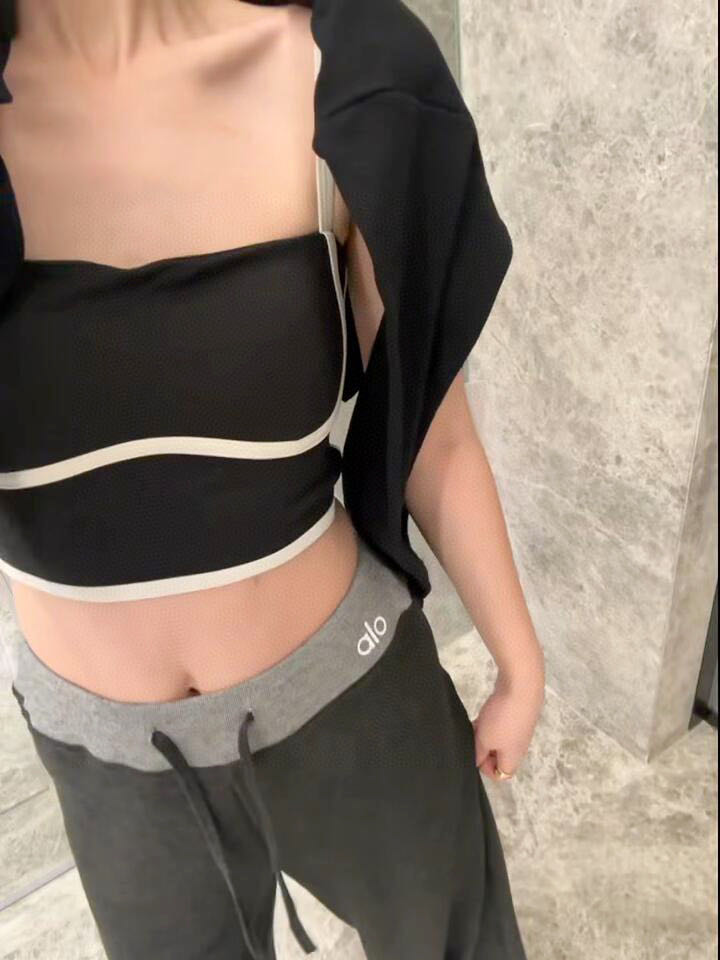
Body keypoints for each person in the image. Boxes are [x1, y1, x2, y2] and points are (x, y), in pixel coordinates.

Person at [0, 2, 545, 958]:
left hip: (348, 696)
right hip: (106, 754)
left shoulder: (347, 77)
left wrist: (519, 660)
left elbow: (438, 433)